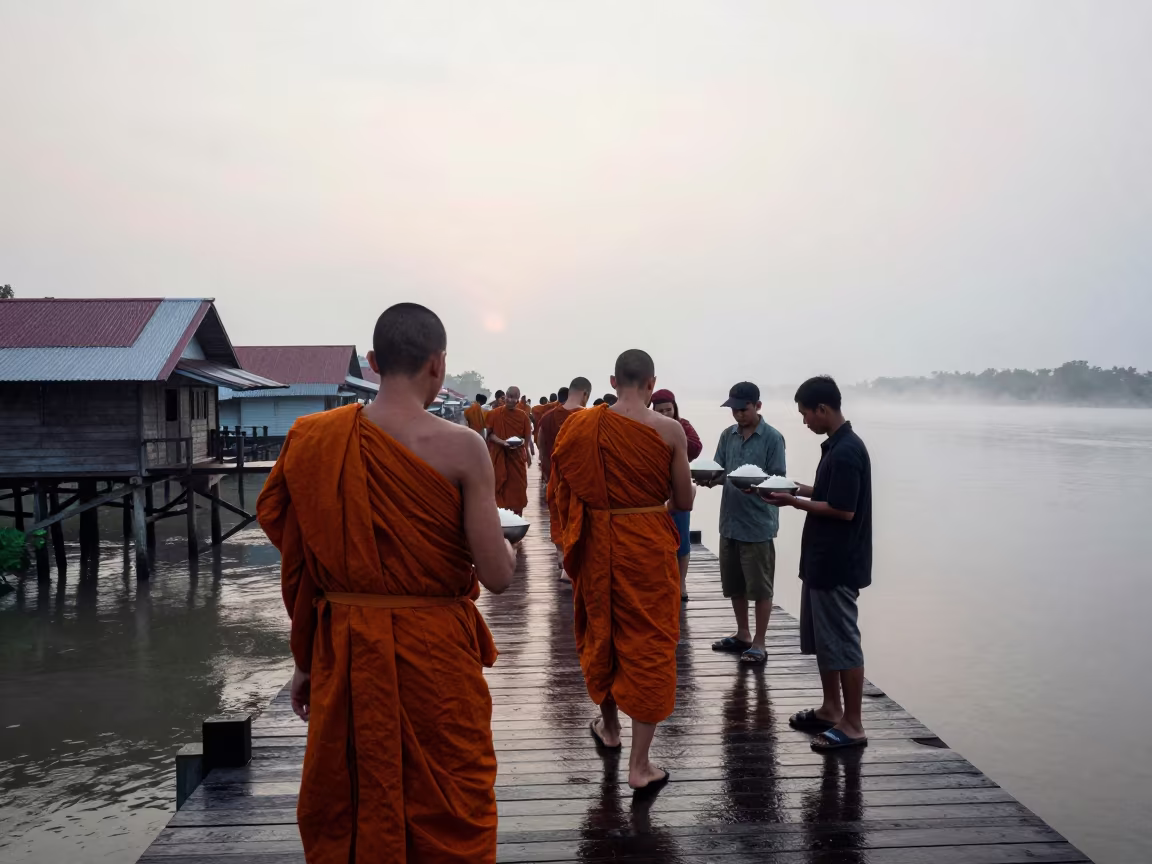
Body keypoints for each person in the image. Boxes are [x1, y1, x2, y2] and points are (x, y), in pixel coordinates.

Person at [256, 302, 516, 863]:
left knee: (348, 803)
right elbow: (495, 576)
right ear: (439, 365)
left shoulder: (312, 438)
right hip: (436, 656)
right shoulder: (463, 446)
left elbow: (302, 562)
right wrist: (509, 551)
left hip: (344, 650)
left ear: (371, 362)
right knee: (450, 807)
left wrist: (305, 661)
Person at [549, 349, 693, 791]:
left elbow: (560, 490)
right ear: (652, 383)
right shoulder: (669, 430)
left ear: (613, 380)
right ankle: (640, 765)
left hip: (596, 544)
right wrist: (646, 509)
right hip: (647, 545)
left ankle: (609, 731)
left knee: (601, 632)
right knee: (650, 640)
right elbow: (684, 501)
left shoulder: (580, 425)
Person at [766, 376, 872, 751]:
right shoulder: (836, 447)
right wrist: (792, 488)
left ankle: (854, 724)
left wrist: (793, 503)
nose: (805, 421)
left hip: (837, 564)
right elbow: (828, 494)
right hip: (819, 561)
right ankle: (831, 709)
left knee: (842, 641)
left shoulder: (846, 451)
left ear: (823, 409)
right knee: (824, 642)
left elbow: (843, 510)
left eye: (806, 414)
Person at [701, 382, 786, 665]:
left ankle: (760, 642)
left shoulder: (773, 438)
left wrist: (758, 487)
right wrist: (708, 478)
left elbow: (779, 482)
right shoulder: (728, 436)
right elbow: (720, 470)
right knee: (734, 583)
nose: (738, 415)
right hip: (730, 521)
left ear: (757, 406)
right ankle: (743, 634)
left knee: (760, 587)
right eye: (734, 410)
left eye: (743, 409)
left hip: (758, 524)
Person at [650, 389, 702, 601]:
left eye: (668, 410)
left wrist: (675, 440)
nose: (665, 414)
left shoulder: (683, 425)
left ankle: (681, 584)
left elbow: (697, 447)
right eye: (660, 410)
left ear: (675, 408)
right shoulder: (647, 424)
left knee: (682, 539)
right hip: (653, 491)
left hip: (677, 488)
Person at [538, 377, 592, 578]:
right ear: (585, 394)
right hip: (582, 480)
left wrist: (547, 474)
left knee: (558, 516)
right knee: (579, 518)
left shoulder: (548, 417)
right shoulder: (588, 417)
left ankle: (562, 555)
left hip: (556, 476)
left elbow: (542, 449)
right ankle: (574, 561)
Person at [486, 385, 533, 514]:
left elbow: (526, 436)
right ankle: (500, 521)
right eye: (509, 396)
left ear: (518, 399)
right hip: (499, 456)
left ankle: (517, 518)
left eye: (514, 398)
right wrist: (502, 442)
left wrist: (527, 451)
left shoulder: (522, 416)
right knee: (499, 490)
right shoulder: (494, 414)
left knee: (518, 491)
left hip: (516, 458)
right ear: (504, 397)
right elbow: (489, 434)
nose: (511, 400)